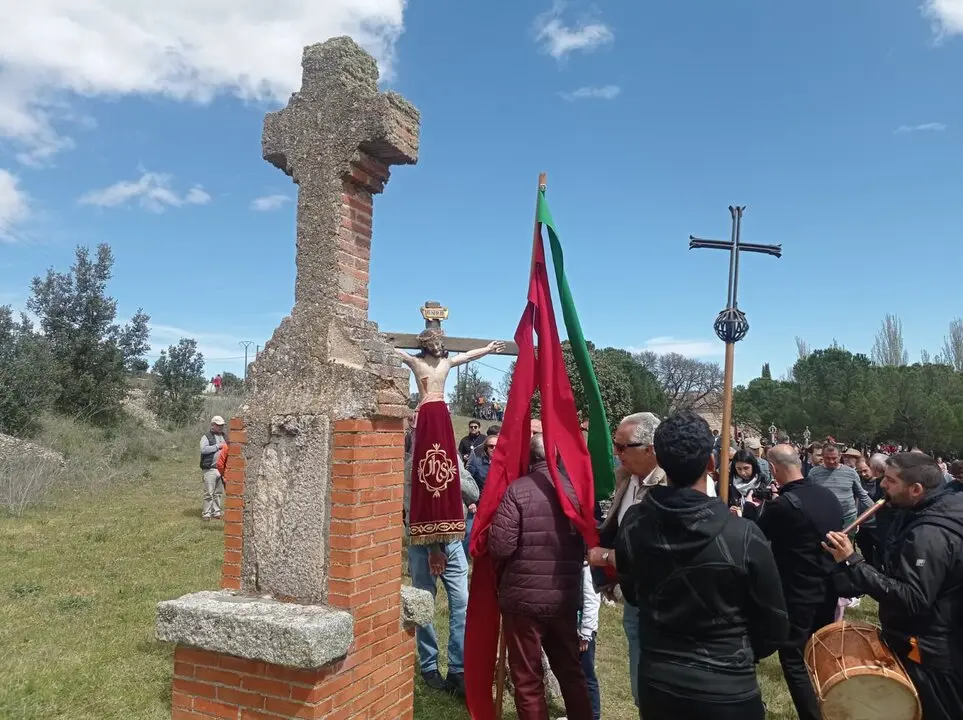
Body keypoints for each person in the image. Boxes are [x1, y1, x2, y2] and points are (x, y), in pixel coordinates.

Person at [616, 411, 789, 720]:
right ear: (711, 463)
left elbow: (772, 624)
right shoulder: (744, 535)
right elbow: (774, 624)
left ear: (660, 462)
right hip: (721, 687)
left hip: (666, 683)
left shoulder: (634, 523)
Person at [823, 452, 963, 720]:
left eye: (890, 480)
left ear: (916, 489)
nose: (882, 484)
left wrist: (853, 561)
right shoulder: (940, 507)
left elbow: (912, 599)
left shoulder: (929, 534)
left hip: (930, 653)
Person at [488, 433, 593, 720]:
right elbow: (586, 544)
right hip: (563, 598)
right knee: (571, 673)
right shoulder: (574, 492)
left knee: (527, 679)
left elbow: (500, 547)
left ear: (530, 457)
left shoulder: (518, 490)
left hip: (523, 601)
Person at [744, 444, 843, 720]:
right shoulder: (828, 496)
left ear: (773, 469)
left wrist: (750, 510)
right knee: (819, 657)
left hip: (798, 592)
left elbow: (756, 536)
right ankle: (834, 709)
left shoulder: (783, 506)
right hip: (828, 588)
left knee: (794, 659)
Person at [587, 411, 664, 708]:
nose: (616, 453)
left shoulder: (671, 485)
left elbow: (661, 550)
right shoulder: (626, 477)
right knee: (638, 667)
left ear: (650, 448)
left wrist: (608, 557)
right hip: (633, 592)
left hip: (661, 598)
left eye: (622, 447)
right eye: (615, 446)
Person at [403, 427, 479, 697]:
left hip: (454, 542)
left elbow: (473, 492)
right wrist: (434, 549)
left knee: (461, 603)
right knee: (424, 604)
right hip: (422, 546)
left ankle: (457, 667)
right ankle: (429, 666)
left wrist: (451, 472)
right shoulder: (411, 466)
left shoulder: (453, 458)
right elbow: (415, 510)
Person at [464, 434, 497, 559]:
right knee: (469, 531)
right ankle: (463, 557)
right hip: (477, 503)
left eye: (497, 446)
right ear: (486, 448)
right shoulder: (476, 461)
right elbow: (467, 482)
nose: (494, 448)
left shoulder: (505, 463)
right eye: (491, 446)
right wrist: (470, 502)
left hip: (496, 505)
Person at [578, 562, 602, 720]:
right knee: (576, 674)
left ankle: (594, 714)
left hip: (584, 633)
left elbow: (592, 601)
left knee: (587, 675)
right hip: (573, 630)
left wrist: (585, 633)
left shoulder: (587, 569)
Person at [199, 416, 228, 520]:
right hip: (210, 469)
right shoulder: (206, 436)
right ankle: (206, 514)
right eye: (219, 425)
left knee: (218, 493)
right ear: (213, 425)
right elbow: (203, 449)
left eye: (222, 425)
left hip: (221, 469)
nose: (221, 427)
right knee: (209, 493)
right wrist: (217, 446)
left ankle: (216, 512)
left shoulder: (225, 436)